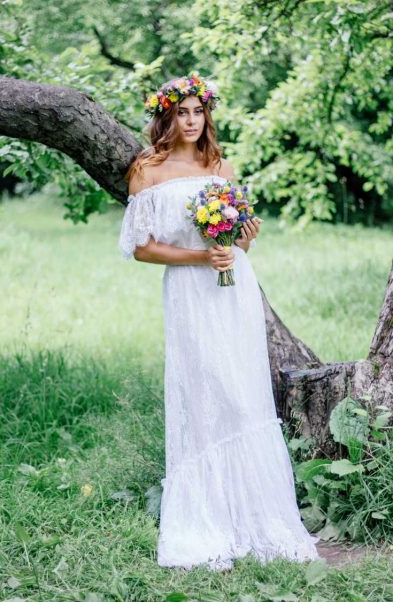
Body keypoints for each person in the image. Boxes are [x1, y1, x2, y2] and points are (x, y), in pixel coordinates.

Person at [119, 72, 320, 572]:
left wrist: (243, 236)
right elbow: (140, 248)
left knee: (240, 390)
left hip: (233, 291)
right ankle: (206, 517)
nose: (190, 121)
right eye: (181, 112)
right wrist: (198, 258)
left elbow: (236, 243)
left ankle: (254, 511)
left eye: (197, 112)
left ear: (207, 114)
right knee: (204, 388)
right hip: (190, 291)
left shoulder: (220, 165)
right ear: (166, 116)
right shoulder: (147, 169)